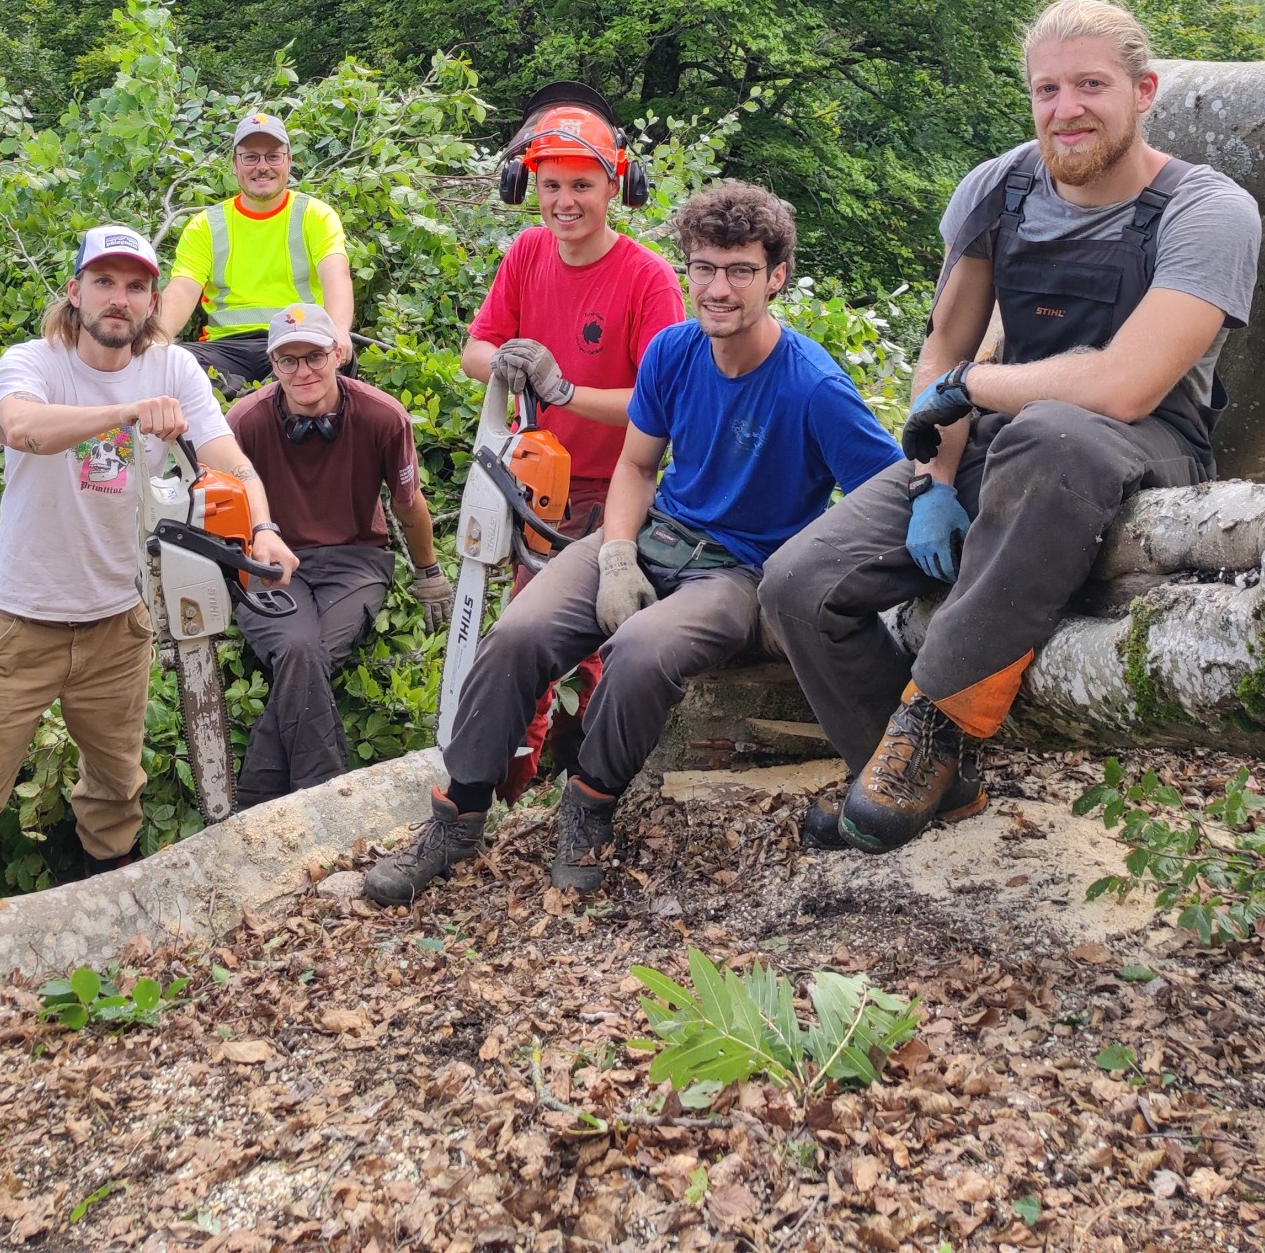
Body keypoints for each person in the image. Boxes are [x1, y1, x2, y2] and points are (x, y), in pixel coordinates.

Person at [761, 0, 1261, 854]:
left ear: (1145, 92)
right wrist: (937, 480)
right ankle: (924, 784)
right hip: (1005, 437)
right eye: (1045, 91)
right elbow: (942, 354)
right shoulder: (1000, 190)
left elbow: (1126, 386)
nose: (1065, 111)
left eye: (1092, 86)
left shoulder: (1207, 211)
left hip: (1143, 446)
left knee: (1054, 430)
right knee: (798, 586)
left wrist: (973, 386)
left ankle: (937, 723)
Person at [367, 181, 900, 906]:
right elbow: (638, 464)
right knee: (518, 633)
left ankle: (589, 802)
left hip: (739, 572)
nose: (718, 287)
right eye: (704, 268)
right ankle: (458, 814)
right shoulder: (675, 353)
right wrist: (617, 555)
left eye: (740, 270)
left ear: (776, 276)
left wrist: (834, 572)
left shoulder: (813, 386)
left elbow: (888, 489)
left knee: (642, 651)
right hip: (654, 536)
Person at [0, 225, 298, 916]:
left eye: (136, 286)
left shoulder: (173, 369)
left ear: (152, 301)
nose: (120, 299)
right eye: (105, 283)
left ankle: (109, 923)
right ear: (75, 293)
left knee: (116, 788)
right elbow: (22, 429)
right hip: (21, 623)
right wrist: (126, 413)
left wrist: (262, 527)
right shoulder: (34, 361)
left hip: (118, 621)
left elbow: (231, 461)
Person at [463, 84, 684, 790]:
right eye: (551, 184)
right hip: (535, 482)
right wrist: (507, 363)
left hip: (616, 489)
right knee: (523, 638)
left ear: (616, 184)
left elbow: (664, 405)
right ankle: (509, 783)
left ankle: (576, 774)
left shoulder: (647, 279)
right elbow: (474, 350)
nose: (564, 201)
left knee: (585, 641)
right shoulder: (528, 254)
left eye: (581, 185)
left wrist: (564, 392)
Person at [228, 302, 455, 806]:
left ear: (337, 353)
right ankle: (323, 798)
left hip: (356, 561)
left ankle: (253, 805)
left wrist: (429, 571)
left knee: (303, 652)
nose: (303, 371)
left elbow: (406, 501)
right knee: (299, 649)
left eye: (314, 356)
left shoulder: (382, 416)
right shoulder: (243, 422)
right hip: (268, 563)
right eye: (288, 360)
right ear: (272, 364)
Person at [158, 111, 353, 395]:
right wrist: (154, 341)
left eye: (273, 156)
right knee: (172, 364)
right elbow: (182, 289)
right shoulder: (206, 225)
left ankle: (254, 404)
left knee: (331, 363)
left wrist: (338, 330)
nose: (262, 166)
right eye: (251, 157)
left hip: (296, 339)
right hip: (227, 349)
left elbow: (336, 274)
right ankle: (252, 405)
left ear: (289, 161)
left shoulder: (314, 215)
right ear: (235, 165)